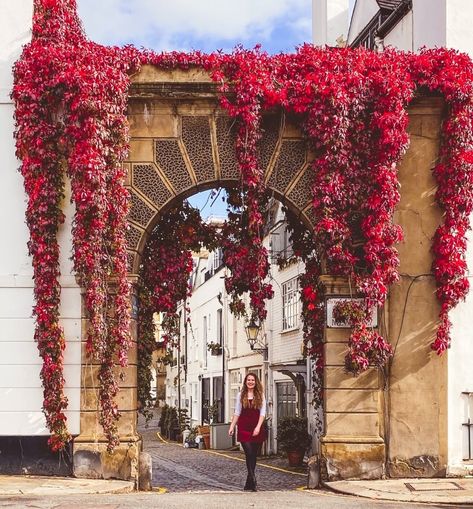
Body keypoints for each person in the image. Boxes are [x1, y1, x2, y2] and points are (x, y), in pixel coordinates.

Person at [228, 372, 267, 491]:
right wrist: (232, 427)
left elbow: (263, 413)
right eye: (248, 380)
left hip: (256, 427)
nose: (250, 382)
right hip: (244, 427)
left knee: (253, 455)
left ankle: (248, 481)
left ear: (256, 382)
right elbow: (237, 412)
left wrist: (258, 427)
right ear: (245, 382)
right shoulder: (241, 395)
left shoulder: (261, 395)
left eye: (253, 380)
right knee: (249, 453)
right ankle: (253, 479)